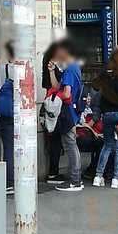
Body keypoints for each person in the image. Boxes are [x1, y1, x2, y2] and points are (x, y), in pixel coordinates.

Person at [92, 47, 118, 189]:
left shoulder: (105, 76)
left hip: (107, 115)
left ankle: (98, 176)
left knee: (107, 144)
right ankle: (116, 178)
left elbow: (97, 92)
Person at [49, 38, 84, 192]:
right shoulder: (73, 68)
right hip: (72, 113)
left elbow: (66, 93)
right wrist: (52, 71)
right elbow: (57, 87)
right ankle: (75, 179)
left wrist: (55, 99)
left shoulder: (69, 70)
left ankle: (75, 180)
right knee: (71, 144)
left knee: (70, 145)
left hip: (67, 113)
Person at [42, 42, 65, 185]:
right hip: (55, 104)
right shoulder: (53, 65)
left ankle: (53, 171)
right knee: (55, 138)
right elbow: (55, 86)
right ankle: (53, 173)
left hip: (50, 102)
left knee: (53, 138)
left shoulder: (48, 61)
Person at [0, 40, 15, 195]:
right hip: (19, 113)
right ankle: (16, 179)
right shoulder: (22, 68)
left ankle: (8, 181)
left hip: (4, 114)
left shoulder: (1, 69)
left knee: (7, 147)